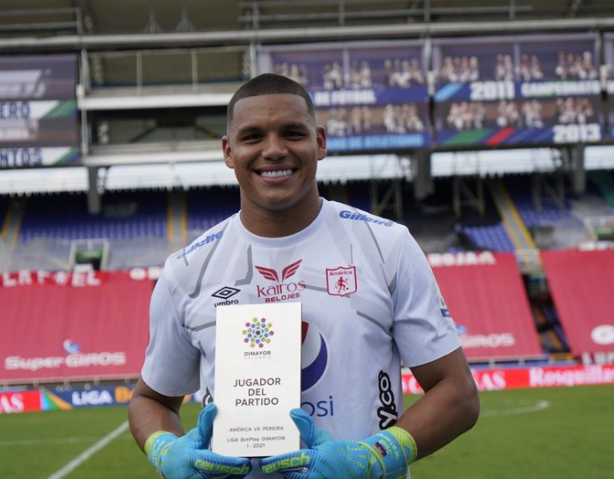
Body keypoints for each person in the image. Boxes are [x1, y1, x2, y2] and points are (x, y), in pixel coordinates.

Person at [128, 73, 480, 479]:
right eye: (253, 136)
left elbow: (459, 393)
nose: (274, 150)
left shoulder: (387, 246)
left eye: (293, 133)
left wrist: (375, 457)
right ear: (228, 151)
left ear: (320, 142)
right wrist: (166, 450)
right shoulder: (186, 271)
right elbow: (150, 400)